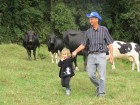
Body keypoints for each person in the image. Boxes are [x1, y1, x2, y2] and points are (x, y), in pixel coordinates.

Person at [72, 11, 114, 97]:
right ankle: (100, 86)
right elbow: (83, 44)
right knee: (91, 75)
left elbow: (110, 43)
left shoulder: (104, 29)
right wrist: (76, 51)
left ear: (97, 19)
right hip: (91, 56)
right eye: (89, 19)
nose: (90, 20)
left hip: (101, 55)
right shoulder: (88, 32)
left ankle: (101, 94)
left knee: (102, 76)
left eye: (91, 19)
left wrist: (111, 56)